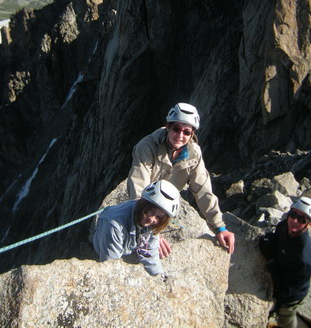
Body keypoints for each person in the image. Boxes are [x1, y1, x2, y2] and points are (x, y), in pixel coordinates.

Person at [127, 102, 235, 257]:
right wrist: (149, 231)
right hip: (147, 205)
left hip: (166, 203)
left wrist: (219, 227)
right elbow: (138, 186)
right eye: (176, 129)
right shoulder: (147, 146)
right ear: (168, 127)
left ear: (192, 135)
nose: (180, 135)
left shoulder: (193, 153)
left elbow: (203, 190)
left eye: (186, 132)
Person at [92, 180, 180, 275]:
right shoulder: (114, 224)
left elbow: (151, 255)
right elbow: (111, 267)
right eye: (150, 211)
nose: (151, 219)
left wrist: (159, 276)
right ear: (143, 203)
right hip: (104, 248)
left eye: (158, 217)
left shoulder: (152, 224)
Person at [259, 196, 311, 328]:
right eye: (293, 215)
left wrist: (272, 264)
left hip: (291, 293)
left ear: (309, 224)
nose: (294, 220)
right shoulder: (284, 226)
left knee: (285, 315)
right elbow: (276, 239)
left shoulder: (303, 257)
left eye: (301, 219)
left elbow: (289, 292)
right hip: (284, 274)